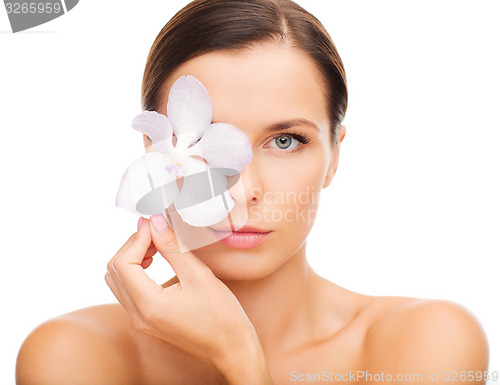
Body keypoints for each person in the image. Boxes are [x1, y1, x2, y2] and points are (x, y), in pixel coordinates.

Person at [15, 0, 489, 384]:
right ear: (154, 152)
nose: (243, 191)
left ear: (335, 156)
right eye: (204, 142)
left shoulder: (425, 344)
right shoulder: (75, 355)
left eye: (285, 141)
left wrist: (239, 357)